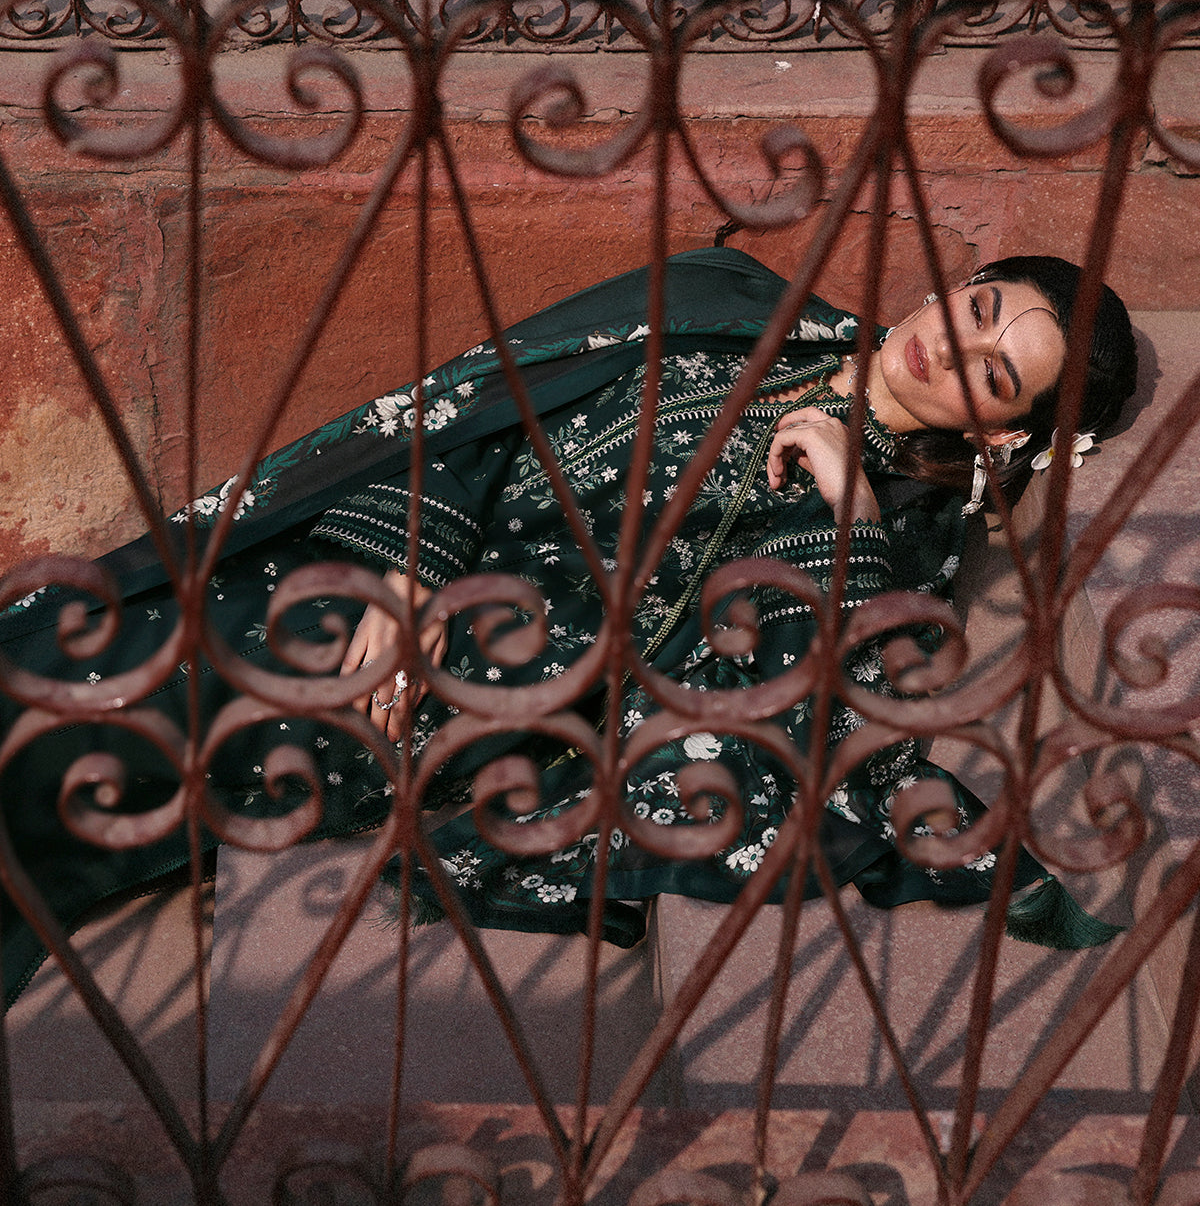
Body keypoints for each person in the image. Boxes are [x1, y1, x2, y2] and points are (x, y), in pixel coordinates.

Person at [0, 247, 1138, 1001]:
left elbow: (827, 712)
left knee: (141, 710)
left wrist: (846, 505)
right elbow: (479, 407)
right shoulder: (731, 302)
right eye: (979, 310)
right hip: (389, 546)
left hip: (476, 683)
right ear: (957, 283)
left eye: (995, 378)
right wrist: (404, 565)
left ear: (1000, 434)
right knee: (97, 643)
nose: (954, 348)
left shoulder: (898, 531)